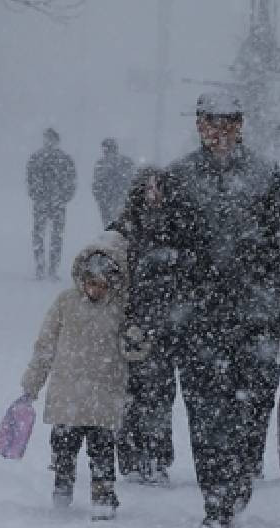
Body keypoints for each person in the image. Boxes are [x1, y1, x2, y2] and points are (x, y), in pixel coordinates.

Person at [128, 90, 280, 528]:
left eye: (228, 123)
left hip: (256, 315)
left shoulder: (265, 174)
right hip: (199, 318)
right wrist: (161, 303)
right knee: (205, 409)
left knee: (251, 409)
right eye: (211, 123)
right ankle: (216, 494)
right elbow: (159, 248)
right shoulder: (178, 177)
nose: (220, 132)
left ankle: (240, 478)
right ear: (198, 125)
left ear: (241, 125)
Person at [20, 237, 131, 520]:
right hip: (68, 392)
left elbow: (135, 349)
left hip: (104, 393)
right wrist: (32, 383)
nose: (96, 290)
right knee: (63, 446)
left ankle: (104, 495)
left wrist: (136, 342)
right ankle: (62, 487)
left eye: (104, 285)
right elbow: (45, 345)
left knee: (103, 451)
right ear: (82, 278)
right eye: (92, 283)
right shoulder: (66, 303)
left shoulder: (121, 308)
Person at [109, 167, 179, 487]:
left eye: (159, 188)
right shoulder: (123, 229)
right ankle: (130, 457)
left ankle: (158, 456)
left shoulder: (178, 227)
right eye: (148, 188)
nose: (154, 194)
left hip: (164, 324)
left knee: (161, 394)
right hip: (128, 323)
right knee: (128, 393)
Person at [26, 128, 77, 280]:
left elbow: (71, 181)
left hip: (53, 203)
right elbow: (31, 180)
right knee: (46, 235)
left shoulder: (41, 157)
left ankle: (50, 268)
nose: (48, 141)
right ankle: (42, 267)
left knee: (51, 236)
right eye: (47, 138)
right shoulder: (42, 158)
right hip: (49, 202)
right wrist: (38, 195)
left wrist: (64, 197)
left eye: (50, 139)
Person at [92, 138, 136, 227]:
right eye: (106, 149)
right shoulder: (100, 164)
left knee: (123, 224)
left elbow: (132, 179)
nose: (108, 152)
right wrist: (100, 197)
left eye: (109, 149)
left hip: (122, 199)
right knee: (109, 226)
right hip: (106, 200)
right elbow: (97, 183)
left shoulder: (126, 162)